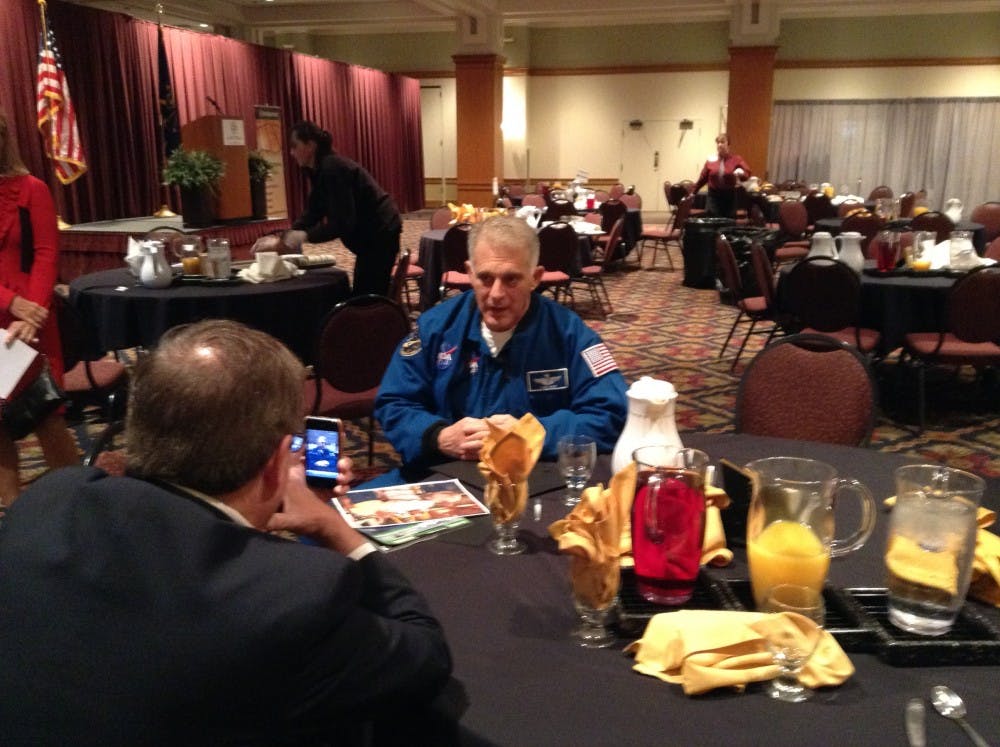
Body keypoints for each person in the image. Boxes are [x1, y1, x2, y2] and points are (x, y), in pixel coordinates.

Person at [0, 320, 453, 745]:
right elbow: (425, 655)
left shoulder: (49, 500)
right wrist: (332, 526)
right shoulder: (296, 596)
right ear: (278, 462)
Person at [375, 215, 627, 471]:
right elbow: (394, 402)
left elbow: (610, 415)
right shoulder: (436, 327)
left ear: (535, 277)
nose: (496, 294)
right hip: (446, 472)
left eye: (511, 279)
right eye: (485, 278)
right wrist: (438, 436)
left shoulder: (570, 334)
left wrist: (532, 433)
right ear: (469, 274)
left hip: (535, 474)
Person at [0, 109, 78, 506]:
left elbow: (47, 253)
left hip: (33, 322)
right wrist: (11, 303)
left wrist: (31, 311)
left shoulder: (32, 189)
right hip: (10, 313)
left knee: (47, 415)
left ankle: (79, 512)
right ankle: (12, 519)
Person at [258, 120, 402, 297]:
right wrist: (287, 235)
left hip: (380, 232)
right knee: (364, 292)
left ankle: (379, 322)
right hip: (374, 232)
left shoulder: (333, 169)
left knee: (367, 296)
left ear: (310, 145)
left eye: (295, 146)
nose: (291, 152)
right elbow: (314, 210)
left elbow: (342, 223)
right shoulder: (321, 168)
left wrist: (304, 236)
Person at [693, 133, 751, 219]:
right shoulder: (711, 160)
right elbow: (703, 178)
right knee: (712, 220)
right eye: (718, 142)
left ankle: (725, 233)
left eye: (722, 142)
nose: (720, 145)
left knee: (728, 222)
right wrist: (693, 191)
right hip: (713, 196)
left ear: (728, 144)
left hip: (729, 196)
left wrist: (741, 173)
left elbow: (747, 173)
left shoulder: (736, 159)